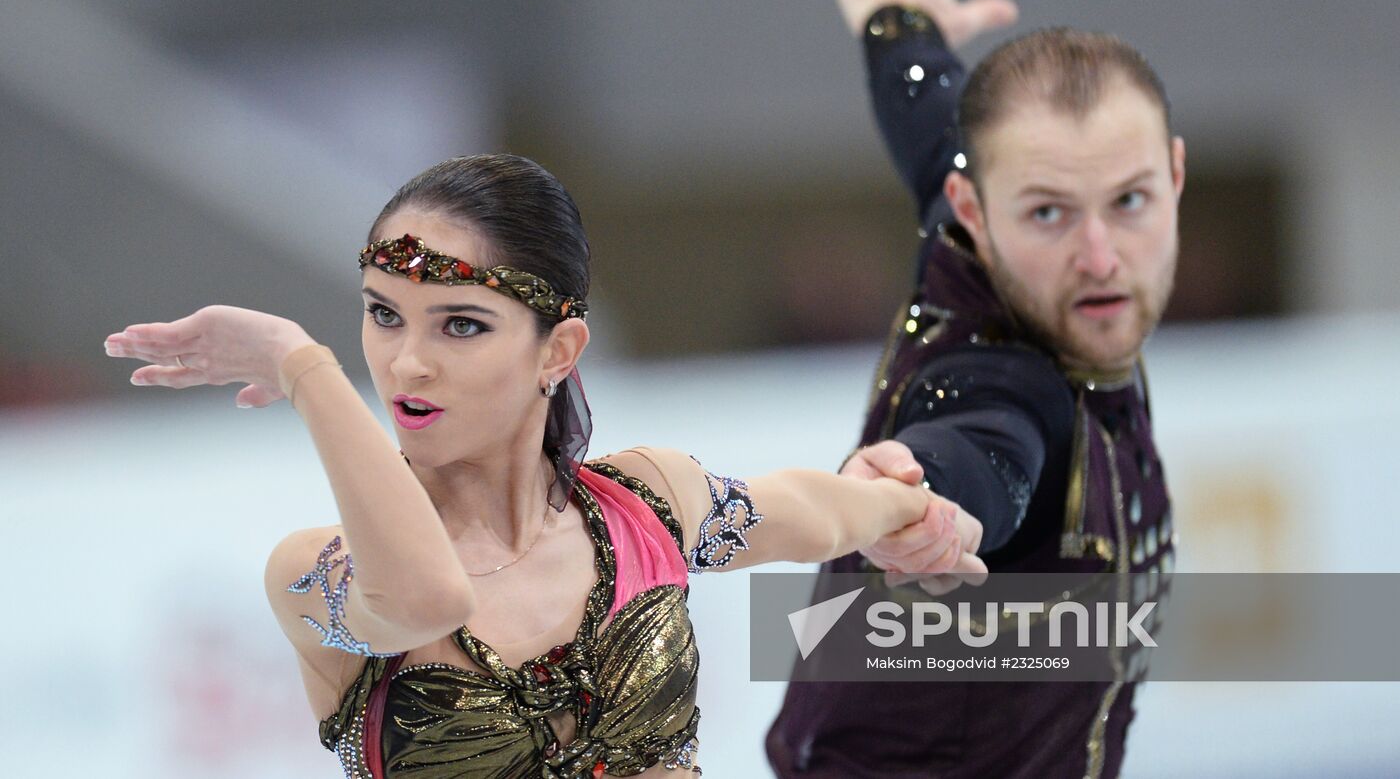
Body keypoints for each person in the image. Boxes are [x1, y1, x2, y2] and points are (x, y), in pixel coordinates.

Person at [105, 153, 986, 778]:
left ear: (557, 349)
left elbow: (819, 508)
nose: (408, 362)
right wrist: (306, 371)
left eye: (459, 324)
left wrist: (914, 514)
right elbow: (427, 599)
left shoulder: (648, 503)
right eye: (383, 314)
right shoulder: (316, 575)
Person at [765, 0, 1183, 779]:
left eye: (1129, 199)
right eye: (1048, 213)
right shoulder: (1005, 377)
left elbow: (932, 120)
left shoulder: (990, 190)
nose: (1101, 256)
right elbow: (980, 444)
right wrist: (928, 501)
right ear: (975, 215)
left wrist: (897, 20)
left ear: (1176, 176)